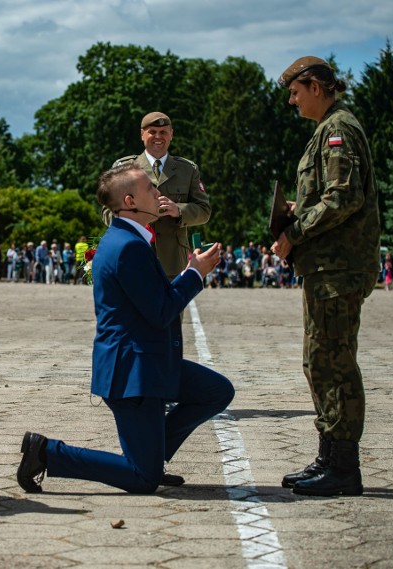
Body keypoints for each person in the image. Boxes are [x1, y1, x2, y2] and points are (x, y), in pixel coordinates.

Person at [16, 164, 234, 494]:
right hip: (133, 372)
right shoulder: (128, 246)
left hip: (149, 363)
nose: (159, 193)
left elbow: (150, 301)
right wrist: (194, 274)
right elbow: (161, 311)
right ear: (130, 201)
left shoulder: (129, 239)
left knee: (215, 391)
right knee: (142, 479)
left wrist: (189, 273)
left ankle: (152, 453)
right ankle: (46, 453)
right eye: (151, 189)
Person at [272, 56, 380, 497]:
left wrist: (294, 232)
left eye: (296, 93)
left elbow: (343, 197)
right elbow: (331, 196)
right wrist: (298, 211)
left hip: (337, 267)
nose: (293, 102)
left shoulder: (338, 130)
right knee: (319, 360)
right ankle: (328, 457)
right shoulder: (327, 130)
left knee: (333, 362)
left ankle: (343, 468)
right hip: (326, 266)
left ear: (316, 86)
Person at [106, 112, 211, 280]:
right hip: (133, 256)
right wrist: (136, 214)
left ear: (171, 134)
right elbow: (107, 213)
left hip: (174, 262)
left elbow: (204, 211)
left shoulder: (188, 170)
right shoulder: (124, 168)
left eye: (163, 132)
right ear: (142, 134)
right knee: (136, 307)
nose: (158, 137)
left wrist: (178, 210)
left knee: (173, 307)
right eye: (152, 131)